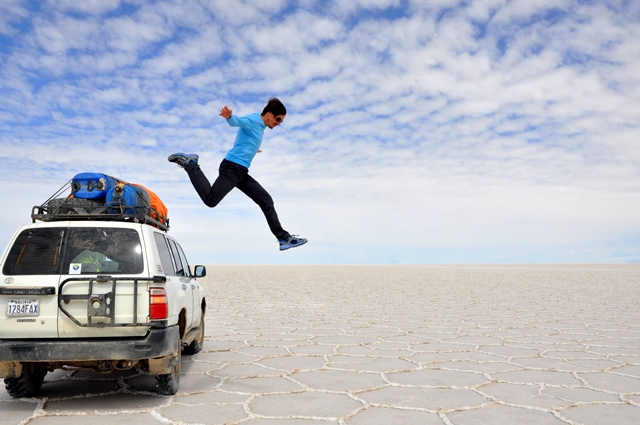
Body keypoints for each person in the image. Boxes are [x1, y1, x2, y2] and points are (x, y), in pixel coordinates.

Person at [168, 98, 307, 251]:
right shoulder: (254, 120)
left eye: (281, 121)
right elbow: (238, 122)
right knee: (211, 200)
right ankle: (191, 164)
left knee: (266, 200)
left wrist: (252, 149)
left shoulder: (260, 127)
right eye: (278, 119)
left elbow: (246, 138)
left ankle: (283, 238)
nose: (279, 123)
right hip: (232, 168)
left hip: (241, 172)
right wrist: (229, 117)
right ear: (269, 113)